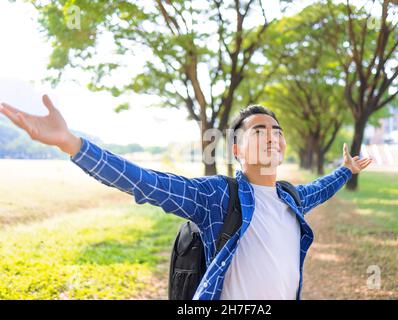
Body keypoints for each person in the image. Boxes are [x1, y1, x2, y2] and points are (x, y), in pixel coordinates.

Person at [0, 95, 372, 300]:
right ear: (237, 150)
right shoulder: (215, 196)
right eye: (259, 130)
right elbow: (144, 182)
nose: (272, 135)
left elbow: (320, 189)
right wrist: (71, 144)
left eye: (277, 129)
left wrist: (347, 171)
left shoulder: (291, 198)